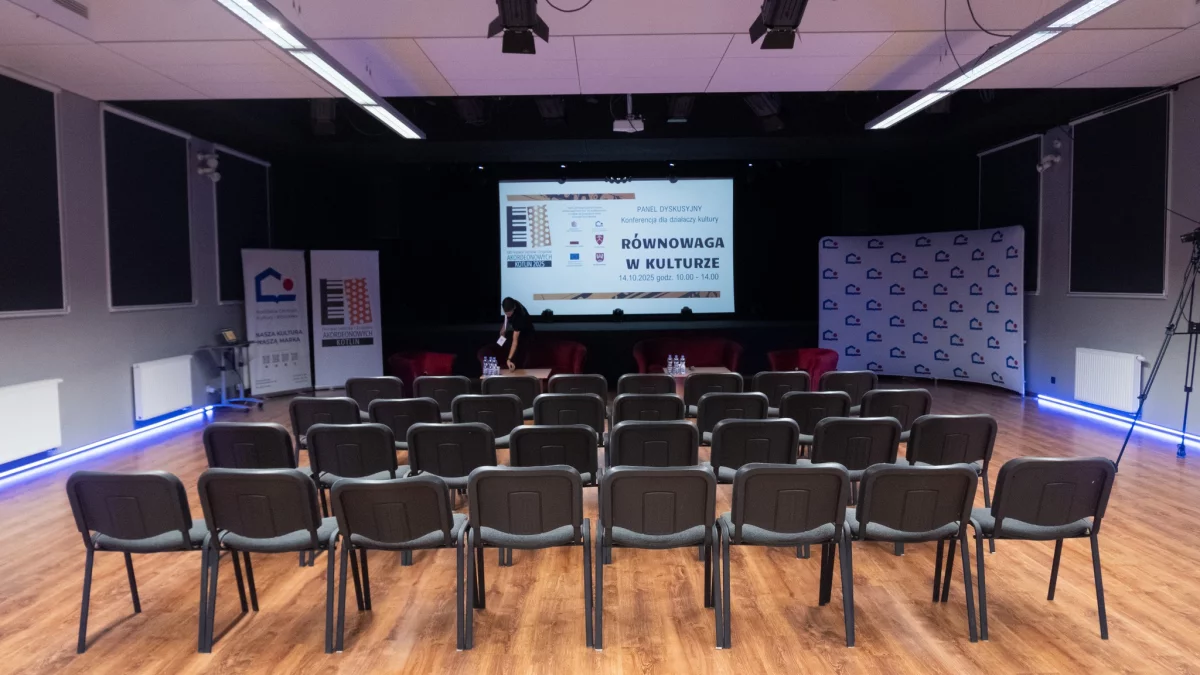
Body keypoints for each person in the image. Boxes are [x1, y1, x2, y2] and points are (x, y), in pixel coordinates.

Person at [498, 297, 535, 370]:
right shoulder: (509, 304)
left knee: (521, 357)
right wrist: (503, 331)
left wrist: (509, 359)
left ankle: (515, 365)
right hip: (517, 327)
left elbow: (515, 341)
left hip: (527, 334)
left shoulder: (519, 317)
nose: (508, 315)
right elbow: (506, 319)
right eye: (506, 313)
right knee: (502, 334)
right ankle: (501, 351)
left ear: (514, 308)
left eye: (509, 313)